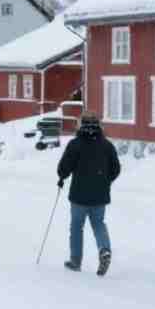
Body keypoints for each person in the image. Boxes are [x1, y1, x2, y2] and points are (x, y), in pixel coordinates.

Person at [56, 112, 120, 276]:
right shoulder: (107, 145)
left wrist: (62, 176)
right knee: (98, 224)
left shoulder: (75, 144)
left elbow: (64, 167)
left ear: (81, 125)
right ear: (98, 126)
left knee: (77, 227)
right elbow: (116, 169)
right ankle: (104, 249)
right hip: (100, 194)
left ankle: (75, 261)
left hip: (79, 194)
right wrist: (105, 181)